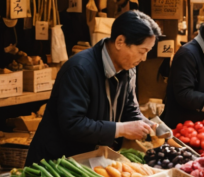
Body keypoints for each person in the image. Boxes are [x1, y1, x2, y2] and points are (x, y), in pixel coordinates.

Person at [27, 11, 161, 165]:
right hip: (55, 164)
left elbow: (129, 110)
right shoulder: (79, 68)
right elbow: (73, 124)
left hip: (91, 160)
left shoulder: (129, 68)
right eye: (142, 52)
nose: (143, 59)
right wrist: (122, 129)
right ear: (120, 42)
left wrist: (147, 126)